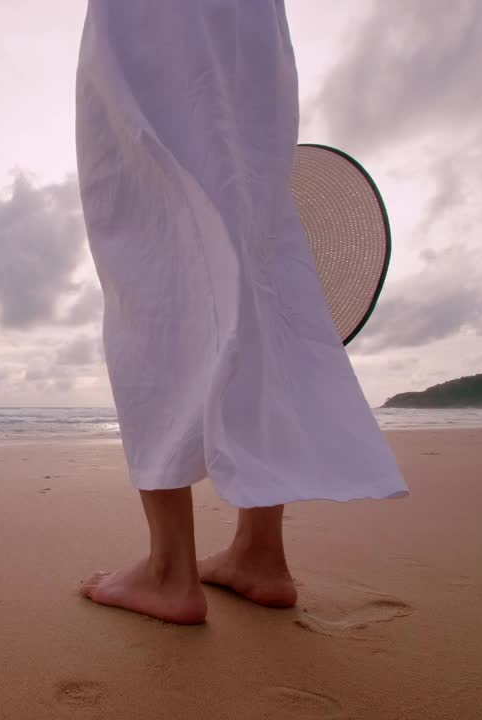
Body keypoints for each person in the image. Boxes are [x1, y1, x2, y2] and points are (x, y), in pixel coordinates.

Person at [74, 0, 408, 624]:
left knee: (150, 238)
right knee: (256, 235)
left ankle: (170, 568)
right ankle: (260, 551)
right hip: (250, 21)